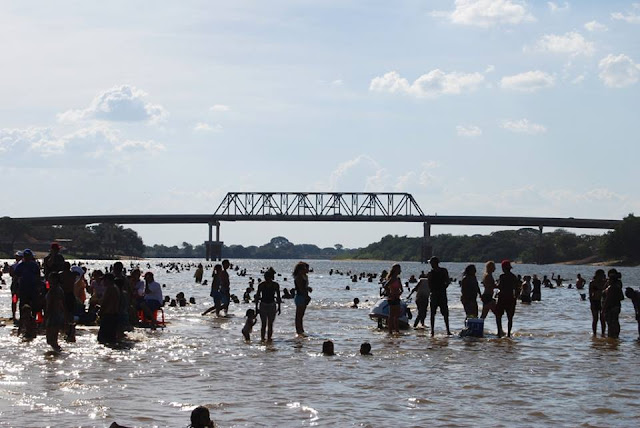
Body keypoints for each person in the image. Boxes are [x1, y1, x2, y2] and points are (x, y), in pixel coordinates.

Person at [495, 260, 521, 338]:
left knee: (498, 316)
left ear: (503, 268)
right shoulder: (513, 277)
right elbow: (518, 288)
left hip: (502, 298)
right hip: (511, 298)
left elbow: (499, 286)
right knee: (510, 318)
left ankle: (499, 332)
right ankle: (509, 334)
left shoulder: (502, 276)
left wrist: (494, 285)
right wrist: (516, 297)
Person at [255, 268, 281, 342]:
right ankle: (263, 339)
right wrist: (256, 307)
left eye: (268, 277)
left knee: (270, 324)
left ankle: (269, 339)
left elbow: (278, 297)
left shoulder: (275, 285)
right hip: (264, 305)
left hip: (271, 305)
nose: (267, 279)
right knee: (264, 324)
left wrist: (279, 307)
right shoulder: (262, 285)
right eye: (266, 277)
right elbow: (257, 296)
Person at [427, 257, 451, 336]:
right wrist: (444, 287)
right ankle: (444, 331)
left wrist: (437, 289)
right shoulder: (443, 271)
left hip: (436, 294)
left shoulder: (431, 273)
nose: (431, 264)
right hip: (440, 293)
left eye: (431, 263)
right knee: (443, 313)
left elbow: (429, 285)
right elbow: (447, 281)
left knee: (436, 313)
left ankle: (434, 331)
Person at [45, 272, 65, 352]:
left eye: (50, 278)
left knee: (51, 339)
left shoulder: (54, 290)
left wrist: (45, 317)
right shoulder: (58, 289)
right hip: (57, 314)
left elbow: (51, 304)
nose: (49, 280)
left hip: (53, 315)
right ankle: (56, 353)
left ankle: (58, 351)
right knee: (51, 340)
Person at [602, 269, 624, 339]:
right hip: (617, 305)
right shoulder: (618, 285)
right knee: (616, 321)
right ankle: (615, 336)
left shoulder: (611, 287)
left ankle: (611, 336)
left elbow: (608, 299)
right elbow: (622, 297)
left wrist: (604, 309)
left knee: (610, 323)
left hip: (610, 307)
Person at [98, 273, 119, 344]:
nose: (102, 282)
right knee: (111, 338)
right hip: (114, 315)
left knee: (102, 338)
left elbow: (105, 302)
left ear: (108, 280)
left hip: (108, 315)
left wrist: (100, 312)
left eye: (104, 280)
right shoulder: (116, 288)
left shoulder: (110, 288)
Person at [293, 261, 312, 335]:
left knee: (301, 315)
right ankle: (298, 330)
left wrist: (308, 289)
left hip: (304, 296)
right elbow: (301, 288)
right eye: (303, 269)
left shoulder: (304, 276)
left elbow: (304, 287)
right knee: (298, 315)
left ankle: (301, 329)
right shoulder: (298, 277)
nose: (305, 270)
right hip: (300, 296)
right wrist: (306, 296)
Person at [383, 264, 403, 334]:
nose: (399, 270)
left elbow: (401, 289)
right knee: (391, 315)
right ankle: (390, 331)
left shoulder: (398, 279)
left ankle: (397, 331)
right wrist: (390, 293)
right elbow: (385, 286)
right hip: (392, 298)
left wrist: (399, 293)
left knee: (396, 316)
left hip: (397, 297)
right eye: (398, 269)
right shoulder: (392, 278)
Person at [588, 269, 607, 336]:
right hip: (594, 301)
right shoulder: (592, 282)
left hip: (602, 302)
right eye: (601, 275)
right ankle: (594, 333)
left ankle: (603, 333)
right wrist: (591, 303)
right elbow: (590, 294)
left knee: (603, 319)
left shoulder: (605, 282)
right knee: (595, 319)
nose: (602, 276)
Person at [8, 251, 23, 320]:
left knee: (20, 300)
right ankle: (14, 315)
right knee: (14, 300)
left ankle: (20, 315)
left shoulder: (23, 265)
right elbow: (11, 274)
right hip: (15, 284)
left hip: (20, 284)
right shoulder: (13, 265)